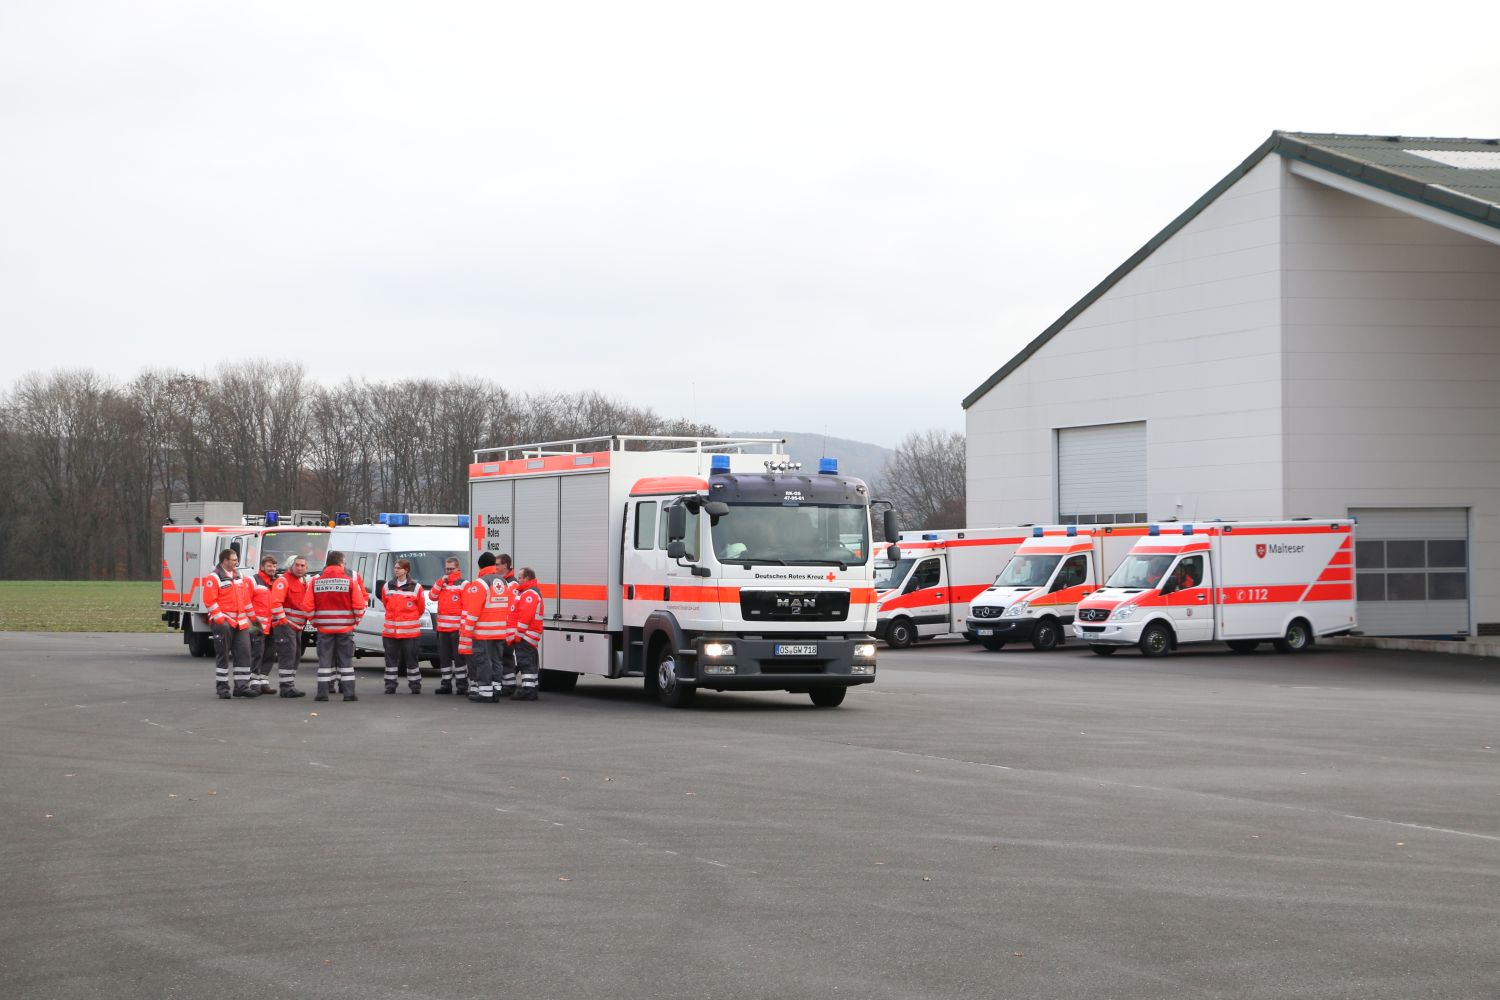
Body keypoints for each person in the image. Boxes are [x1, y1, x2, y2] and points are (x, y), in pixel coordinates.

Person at [311, 550, 367, 702]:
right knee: (346, 662)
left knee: (324, 662)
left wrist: (314, 622)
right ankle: (349, 694)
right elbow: (359, 605)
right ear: (341, 563)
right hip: (345, 628)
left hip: (324, 628)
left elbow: (307, 606)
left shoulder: (316, 581)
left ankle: (322, 694)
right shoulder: (350, 581)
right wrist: (355, 621)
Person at [202, 548, 258, 699]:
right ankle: (222, 688)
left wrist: (254, 620)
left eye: (236, 559)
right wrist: (221, 620)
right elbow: (209, 601)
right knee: (223, 655)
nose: (236, 562)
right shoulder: (213, 578)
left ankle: (242, 687)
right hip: (224, 623)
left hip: (240, 623)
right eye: (233, 560)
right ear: (225, 561)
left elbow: (245, 600)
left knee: (244, 653)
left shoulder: (239, 576)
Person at [460, 552, 512, 703]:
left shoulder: (480, 583)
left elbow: (474, 609)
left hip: (483, 631)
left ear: (480, 566)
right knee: (497, 660)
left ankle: (485, 692)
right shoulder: (503, 582)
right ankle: (495, 690)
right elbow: (508, 606)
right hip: (499, 630)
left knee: (483, 661)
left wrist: (467, 630)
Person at [268, 555, 313, 697]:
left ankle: (289, 685)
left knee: (295, 654)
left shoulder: (303, 581)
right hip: (286, 625)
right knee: (288, 655)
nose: (299, 568)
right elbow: (275, 603)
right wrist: (284, 621)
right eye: (297, 565)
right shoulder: (283, 580)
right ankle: (286, 687)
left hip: (297, 626)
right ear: (291, 566)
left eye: (302, 566)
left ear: (307, 568)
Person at [381, 558, 425, 694]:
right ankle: (390, 685)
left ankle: (415, 685)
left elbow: (421, 608)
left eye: (399, 568)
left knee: (412, 660)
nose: (396, 570)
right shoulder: (387, 586)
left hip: (410, 633)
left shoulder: (416, 587)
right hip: (390, 632)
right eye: (395, 568)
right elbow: (385, 603)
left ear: (406, 570)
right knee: (390, 661)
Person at [427, 556, 469, 695]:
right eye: (447, 569)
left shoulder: (463, 584)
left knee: (459, 659)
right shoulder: (442, 583)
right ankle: (446, 684)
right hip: (442, 629)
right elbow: (432, 596)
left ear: (458, 569)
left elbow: (467, 606)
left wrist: (463, 627)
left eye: (451, 569)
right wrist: (440, 581)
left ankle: (462, 685)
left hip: (456, 629)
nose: (449, 571)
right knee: (444, 658)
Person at [507, 567, 545, 701]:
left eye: (520, 578)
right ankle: (532, 688)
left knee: (525, 663)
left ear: (527, 578)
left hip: (526, 636)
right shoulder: (530, 592)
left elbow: (525, 617)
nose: (518, 580)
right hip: (529, 636)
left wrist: (518, 634)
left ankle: (528, 691)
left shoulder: (529, 594)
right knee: (530, 663)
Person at [248, 554, 280, 695]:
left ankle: (263, 681)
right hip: (257, 624)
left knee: (270, 654)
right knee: (257, 653)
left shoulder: (278, 582)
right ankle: (254, 683)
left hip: (273, 624)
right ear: (262, 567)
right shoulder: (253, 580)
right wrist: (252, 621)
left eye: (274, 566)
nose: (272, 568)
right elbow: (246, 601)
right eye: (269, 566)